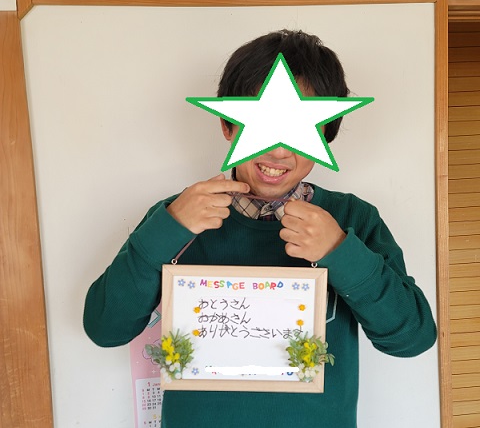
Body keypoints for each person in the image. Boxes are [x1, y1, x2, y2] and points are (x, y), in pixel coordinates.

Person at [83, 29, 437, 428]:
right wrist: (168, 229)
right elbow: (105, 328)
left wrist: (340, 251)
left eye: (301, 129)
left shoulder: (353, 218)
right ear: (227, 125)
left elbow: (412, 339)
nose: (279, 151)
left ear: (327, 134)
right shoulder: (177, 216)